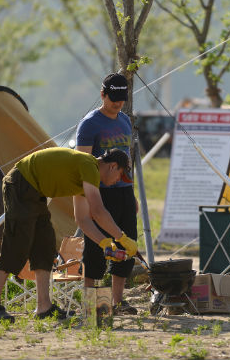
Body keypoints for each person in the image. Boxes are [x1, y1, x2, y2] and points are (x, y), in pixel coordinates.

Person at [0, 147, 138, 323]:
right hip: (21, 183)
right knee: (17, 242)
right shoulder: (89, 166)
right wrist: (122, 238)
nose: (117, 181)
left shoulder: (87, 175)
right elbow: (98, 211)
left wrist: (105, 244)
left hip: (35, 192)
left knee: (45, 246)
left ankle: (43, 307)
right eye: (120, 175)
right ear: (113, 166)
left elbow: (83, 219)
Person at [75, 72, 139, 315]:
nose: (117, 103)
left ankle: (117, 302)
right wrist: (90, 198)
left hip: (123, 191)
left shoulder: (124, 120)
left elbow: (126, 160)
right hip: (100, 193)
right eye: (113, 97)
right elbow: (81, 163)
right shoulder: (90, 124)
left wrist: (130, 192)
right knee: (96, 249)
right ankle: (92, 305)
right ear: (102, 94)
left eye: (121, 98)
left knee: (127, 246)